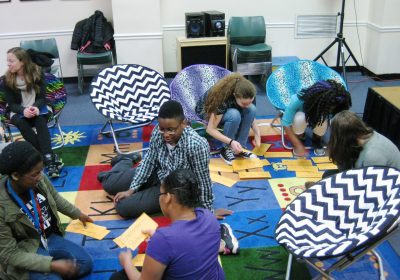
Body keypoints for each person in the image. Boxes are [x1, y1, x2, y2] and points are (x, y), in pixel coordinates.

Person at [98, 100, 238, 254]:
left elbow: (202, 181)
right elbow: (150, 161)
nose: (166, 135)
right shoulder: (157, 133)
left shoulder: (197, 145)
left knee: (122, 207)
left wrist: (208, 216)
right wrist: (132, 189)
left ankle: (125, 166)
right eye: (162, 129)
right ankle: (126, 159)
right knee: (108, 185)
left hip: (170, 188)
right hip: (156, 171)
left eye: (171, 130)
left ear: (184, 123)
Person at [0, 141, 93, 279]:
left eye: (41, 171)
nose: (40, 177)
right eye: (35, 174)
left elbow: (55, 197)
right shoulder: (2, 205)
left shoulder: (39, 179)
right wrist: (52, 265)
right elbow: (10, 254)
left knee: (85, 263)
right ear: (15, 175)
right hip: (26, 248)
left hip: (49, 237)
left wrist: (77, 214)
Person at [111, 169, 225, 280]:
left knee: (118, 277)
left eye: (160, 193)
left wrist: (127, 262)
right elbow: (191, 246)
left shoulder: (163, 239)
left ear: (168, 198)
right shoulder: (209, 216)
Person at [4, 47, 62, 178]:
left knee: (40, 119)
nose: (8, 64)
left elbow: (42, 97)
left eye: (11, 61)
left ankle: (45, 157)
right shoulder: (7, 79)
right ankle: (49, 159)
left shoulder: (37, 72)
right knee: (21, 123)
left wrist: (35, 107)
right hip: (18, 110)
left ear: (22, 62)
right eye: (7, 61)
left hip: (37, 107)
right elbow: (12, 104)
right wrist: (23, 110)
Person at [195, 73, 261, 165]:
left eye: (249, 102)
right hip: (207, 111)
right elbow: (210, 129)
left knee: (252, 109)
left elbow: (250, 116)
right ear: (235, 95)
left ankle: (240, 148)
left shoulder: (249, 93)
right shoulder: (222, 98)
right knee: (234, 115)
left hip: (229, 109)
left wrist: (257, 134)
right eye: (244, 104)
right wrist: (231, 142)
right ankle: (226, 149)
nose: (247, 106)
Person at [281, 79, 352, 157]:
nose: (330, 110)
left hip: (317, 116)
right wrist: (297, 144)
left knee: (323, 118)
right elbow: (285, 123)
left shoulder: (333, 104)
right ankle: (300, 137)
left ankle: (317, 139)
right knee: (299, 118)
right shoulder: (297, 100)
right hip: (301, 116)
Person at [327, 110, 400, 172]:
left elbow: (371, 185)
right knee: (328, 175)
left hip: (389, 186)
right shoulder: (363, 136)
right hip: (367, 175)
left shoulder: (372, 156)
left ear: (343, 137)